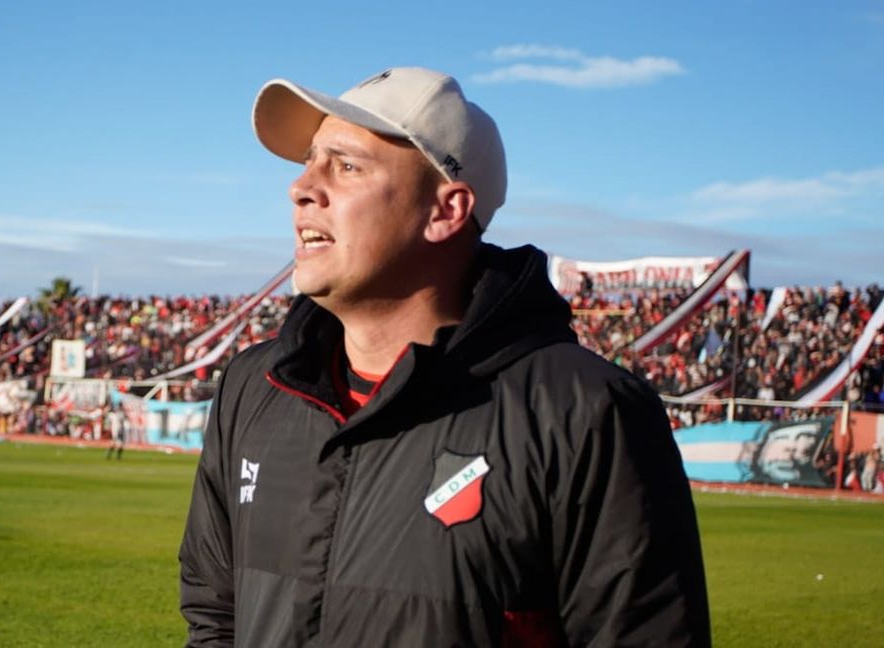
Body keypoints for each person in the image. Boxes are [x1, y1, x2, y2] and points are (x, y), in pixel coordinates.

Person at [179, 67, 710, 646]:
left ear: (446, 211)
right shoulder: (254, 388)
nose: (302, 187)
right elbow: (215, 612)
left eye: (347, 165)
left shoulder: (585, 412)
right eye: (310, 160)